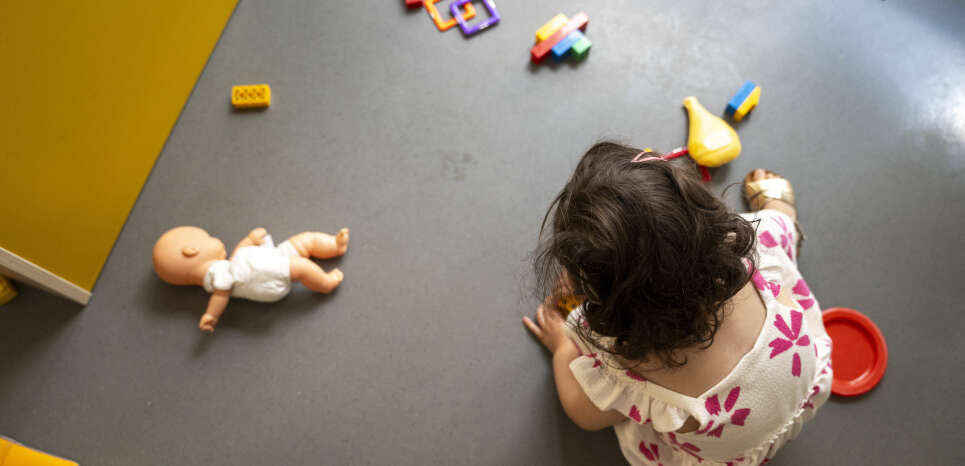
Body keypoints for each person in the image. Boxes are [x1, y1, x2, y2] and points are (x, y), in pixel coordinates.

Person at [523, 142, 831, 465]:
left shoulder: (631, 367)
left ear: (614, 311)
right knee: (774, 232)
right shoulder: (753, 252)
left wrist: (562, 348)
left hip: (729, 451)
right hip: (806, 387)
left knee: (637, 416)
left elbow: (583, 412)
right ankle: (785, 213)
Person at [153, 226, 349, 332]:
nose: (216, 239)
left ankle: (334, 245)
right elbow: (222, 292)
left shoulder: (224, 268)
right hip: (263, 278)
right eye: (209, 237)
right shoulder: (215, 276)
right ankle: (325, 283)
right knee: (302, 267)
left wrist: (249, 240)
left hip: (267, 260)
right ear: (191, 251)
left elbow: (235, 260)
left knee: (305, 240)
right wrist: (212, 315)